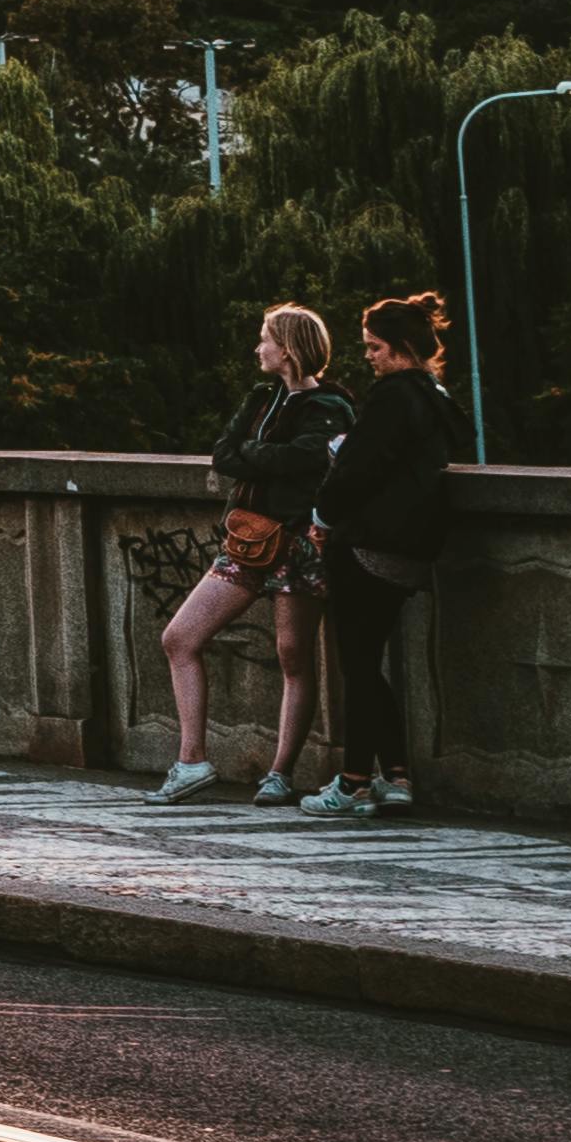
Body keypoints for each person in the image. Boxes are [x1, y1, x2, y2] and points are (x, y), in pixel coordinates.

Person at [157, 304, 336, 801]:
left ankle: (279, 774)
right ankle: (191, 761)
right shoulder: (262, 397)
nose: (258, 348)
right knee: (180, 637)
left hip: (301, 544)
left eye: (265, 340)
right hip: (248, 538)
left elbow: (306, 458)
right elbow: (224, 452)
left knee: (292, 657)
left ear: (290, 349)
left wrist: (255, 460)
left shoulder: (332, 407)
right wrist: (267, 461)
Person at [306, 289, 465, 821]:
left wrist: (322, 516)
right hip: (414, 546)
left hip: (368, 545)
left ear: (399, 348)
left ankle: (353, 780)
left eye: (375, 347)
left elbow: (358, 469)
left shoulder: (392, 395)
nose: (369, 356)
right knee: (368, 665)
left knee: (358, 663)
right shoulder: (437, 396)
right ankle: (394, 777)